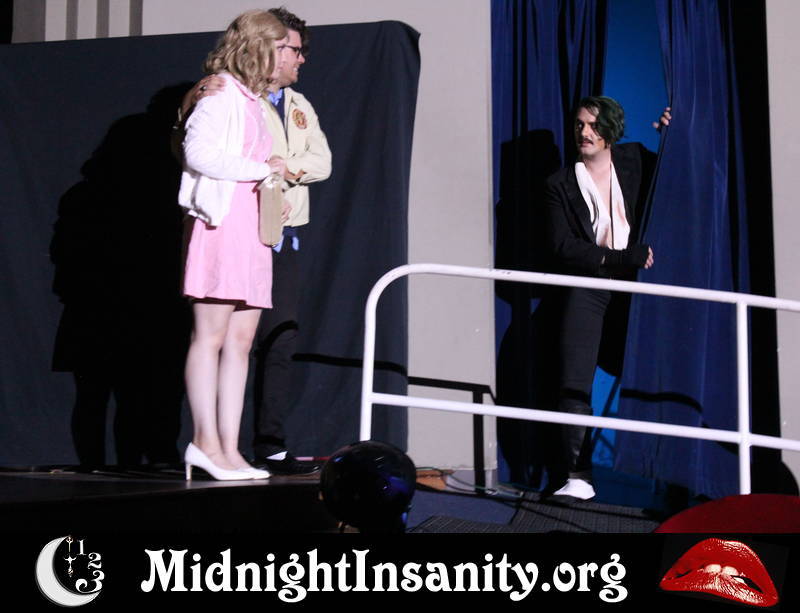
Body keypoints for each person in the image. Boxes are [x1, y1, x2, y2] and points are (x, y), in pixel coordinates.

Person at [180, 7, 332, 475]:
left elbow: (304, 163)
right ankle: (204, 442)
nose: (295, 58)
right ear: (259, 48)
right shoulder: (222, 94)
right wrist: (261, 171)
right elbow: (197, 153)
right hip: (222, 227)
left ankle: (229, 448)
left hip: (255, 230)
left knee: (241, 340)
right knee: (210, 336)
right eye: (285, 48)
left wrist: (273, 192)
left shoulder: (252, 100)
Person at [543, 96, 668, 501]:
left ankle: (669, 474)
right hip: (590, 284)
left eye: (594, 125)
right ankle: (577, 475)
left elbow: (677, 181)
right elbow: (564, 246)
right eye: (580, 124)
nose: (585, 132)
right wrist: (619, 257)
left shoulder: (635, 160)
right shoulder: (560, 183)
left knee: (655, 374)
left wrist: (671, 135)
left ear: (611, 129)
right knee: (573, 380)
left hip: (639, 287)